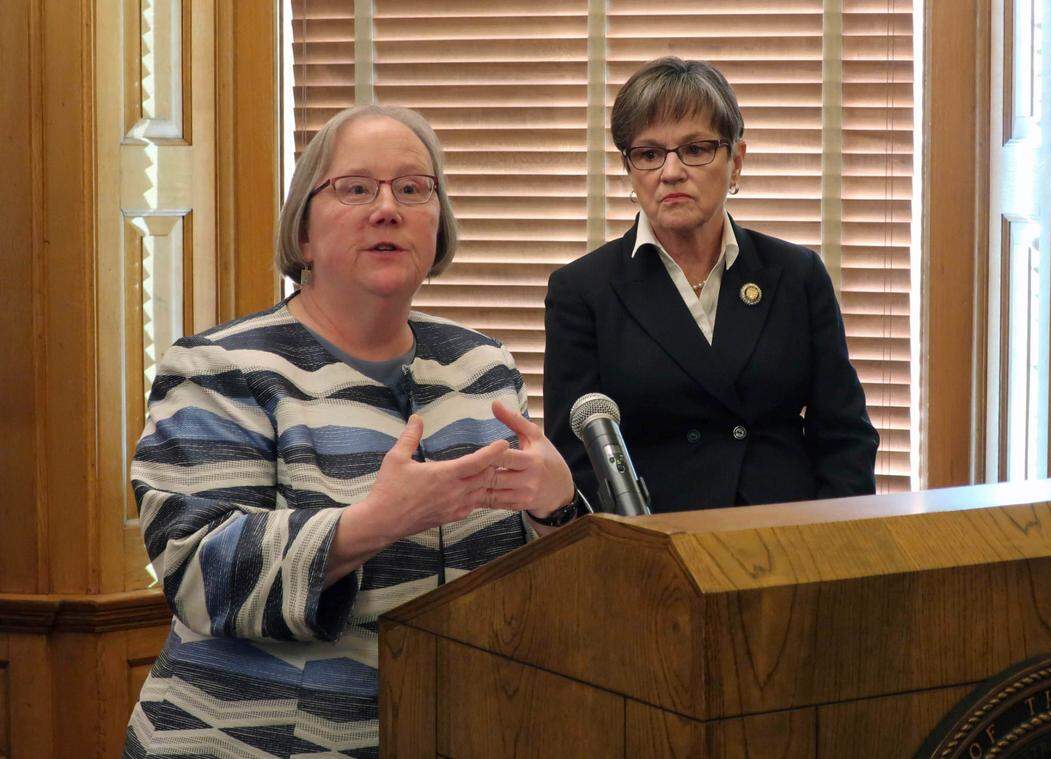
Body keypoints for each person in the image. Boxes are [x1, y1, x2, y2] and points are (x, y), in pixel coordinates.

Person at [123, 104, 586, 758]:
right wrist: (373, 522)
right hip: (246, 740)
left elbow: (531, 589)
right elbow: (200, 571)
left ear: (439, 224)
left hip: (449, 724)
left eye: (413, 188)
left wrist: (557, 508)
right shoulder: (222, 368)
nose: (388, 208)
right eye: (356, 188)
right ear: (304, 233)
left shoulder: (482, 369)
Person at [544, 57, 878, 514]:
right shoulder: (583, 291)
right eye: (649, 154)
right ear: (629, 168)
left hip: (788, 539)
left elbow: (845, 437)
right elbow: (576, 462)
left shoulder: (797, 275)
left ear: (735, 161)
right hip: (655, 550)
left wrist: (832, 545)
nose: (671, 171)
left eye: (696, 149)